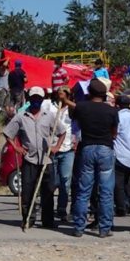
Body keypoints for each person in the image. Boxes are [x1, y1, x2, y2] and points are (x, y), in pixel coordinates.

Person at [59, 78, 119, 238]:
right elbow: (115, 133)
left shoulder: (82, 107)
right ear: (104, 94)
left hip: (87, 147)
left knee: (83, 190)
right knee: (106, 192)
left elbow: (74, 114)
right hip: (106, 148)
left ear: (89, 93)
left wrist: (66, 100)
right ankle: (104, 228)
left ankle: (79, 227)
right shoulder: (112, 111)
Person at [4, 87, 65, 229]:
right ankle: (28, 219)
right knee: (27, 191)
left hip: (46, 160)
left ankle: (48, 220)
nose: (36, 101)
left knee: (48, 191)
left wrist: (56, 147)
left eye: (39, 99)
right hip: (29, 159)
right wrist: (17, 147)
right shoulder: (21, 116)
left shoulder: (49, 116)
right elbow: (8, 133)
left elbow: (61, 132)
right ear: (29, 99)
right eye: (34, 98)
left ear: (42, 100)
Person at [52, 87, 75, 223]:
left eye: (64, 94)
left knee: (65, 180)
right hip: (53, 148)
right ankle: (47, 206)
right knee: (53, 181)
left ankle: (61, 209)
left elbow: (78, 110)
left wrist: (67, 101)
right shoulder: (51, 107)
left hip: (67, 149)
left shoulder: (71, 109)